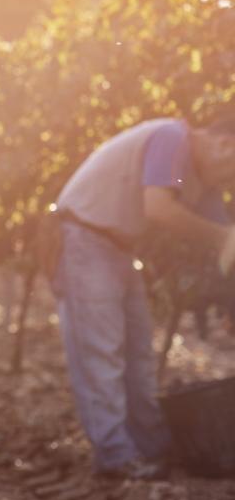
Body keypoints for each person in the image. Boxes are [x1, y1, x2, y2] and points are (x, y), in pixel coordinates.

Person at [51, 114, 235, 480]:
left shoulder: (204, 180)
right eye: (232, 172)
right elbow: (160, 209)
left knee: (138, 353)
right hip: (84, 238)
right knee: (101, 352)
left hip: (119, 248)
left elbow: (226, 247)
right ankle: (116, 456)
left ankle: (153, 446)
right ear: (225, 145)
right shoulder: (172, 138)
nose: (230, 182)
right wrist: (222, 239)